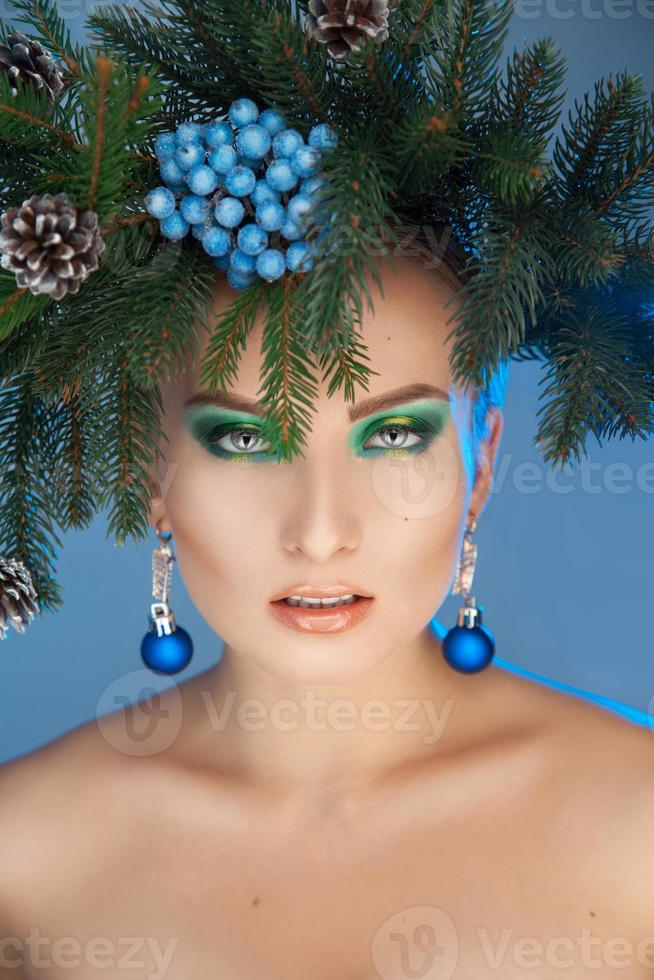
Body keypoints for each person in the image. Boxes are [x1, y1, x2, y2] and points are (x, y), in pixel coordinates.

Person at [0, 248, 652, 980]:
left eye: (395, 436)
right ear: (152, 467)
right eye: (246, 440)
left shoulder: (639, 833)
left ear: (484, 463)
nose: (317, 533)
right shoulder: (20, 864)